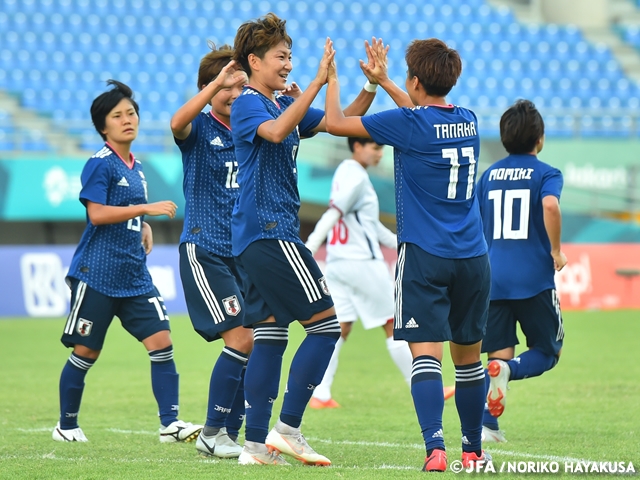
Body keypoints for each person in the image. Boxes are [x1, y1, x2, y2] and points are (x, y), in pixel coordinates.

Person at [324, 38, 492, 471]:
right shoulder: (470, 121)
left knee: (426, 355)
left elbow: (338, 122)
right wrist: (388, 82)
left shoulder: (407, 124)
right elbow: (423, 115)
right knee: (469, 359)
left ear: (414, 80)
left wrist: (353, 82)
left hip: (424, 256)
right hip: (473, 257)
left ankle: (435, 448)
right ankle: (473, 451)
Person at [230, 13, 379, 466]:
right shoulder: (249, 104)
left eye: (291, 56)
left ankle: (255, 446)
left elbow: (341, 121)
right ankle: (289, 428)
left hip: (259, 235)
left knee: (272, 334)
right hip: (269, 232)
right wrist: (315, 83)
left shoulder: (280, 104)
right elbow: (275, 133)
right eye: (281, 56)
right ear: (254, 61)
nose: (288, 64)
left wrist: (367, 85)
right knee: (327, 325)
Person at [53, 80, 202, 443]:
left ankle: (170, 424)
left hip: (134, 275)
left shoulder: (136, 167)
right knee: (87, 351)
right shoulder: (99, 164)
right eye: (117, 116)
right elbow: (98, 215)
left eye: (131, 113)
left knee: (162, 341)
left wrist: (143, 225)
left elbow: (124, 213)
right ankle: (66, 426)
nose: (127, 120)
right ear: (103, 126)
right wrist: (146, 209)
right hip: (97, 274)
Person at [170, 44, 252, 458]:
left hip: (245, 255)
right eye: (226, 87)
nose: (235, 94)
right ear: (207, 87)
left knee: (253, 341)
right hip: (206, 250)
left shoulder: (250, 129)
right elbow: (176, 122)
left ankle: (227, 434)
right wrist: (217, 84)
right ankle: (212, 432)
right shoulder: (200, 128)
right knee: (240, 337)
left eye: (241, 86)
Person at [475, 99, 566, 443]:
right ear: (539, 139)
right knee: (547, 351)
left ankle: (488, 425)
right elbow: (549, 204)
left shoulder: (489, 176)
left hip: (492, 277)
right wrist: (556, 250)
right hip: (533, 279)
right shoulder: (547, 173)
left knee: (498, 351)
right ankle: (509, 373)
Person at [305, 137, 413, 408]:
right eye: (375, 148)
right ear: (357, 146)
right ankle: (421, 385)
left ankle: (320, 393)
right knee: (392, 323)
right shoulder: (357, 178)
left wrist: (404, 245)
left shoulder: (343, 172)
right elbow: (333, 213)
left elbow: (370, 227)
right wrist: (308, 249)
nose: (379, 154)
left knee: (340, 328)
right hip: (362, 262)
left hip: (338, 261)